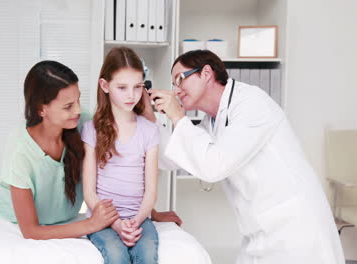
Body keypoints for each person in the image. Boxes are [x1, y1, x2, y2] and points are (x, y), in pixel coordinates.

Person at [147, 49, 345, 264]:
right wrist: (148, 119)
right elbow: (171, 157)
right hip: (258, 234)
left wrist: (177, 115)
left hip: (295, 231)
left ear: (206, 73)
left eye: (179, 79)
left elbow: (214, 166)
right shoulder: (211, 121)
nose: (176, 90)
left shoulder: (251, 103)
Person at [0, 60, 180, 241]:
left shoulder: (83, 123)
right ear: (41, 109)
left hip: (67, 218)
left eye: (78, 100)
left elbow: (124, 171)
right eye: (68, 106)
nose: (77, 110)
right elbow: (30, 231)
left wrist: (151, 213)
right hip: (19, 223)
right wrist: (91, 224)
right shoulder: (20, 150)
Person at [82, 47, 160, 264]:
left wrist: (135, 221)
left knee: (147, 256)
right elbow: (89, 192)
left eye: (137, 87)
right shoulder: (91, 130)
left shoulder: (150, 131)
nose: (131, 95)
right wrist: (115, 223)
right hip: (103, 219)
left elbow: (151, 192)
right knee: (116, 256)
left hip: (139, 217)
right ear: (105, 85)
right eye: (122, 87)